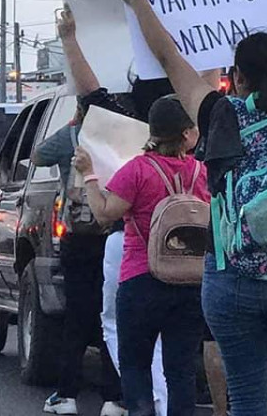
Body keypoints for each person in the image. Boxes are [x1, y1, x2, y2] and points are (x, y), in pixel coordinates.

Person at [117, 0, 267, 415]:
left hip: (231, 272)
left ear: (235, 77)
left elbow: (168, 55)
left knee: (248, 396)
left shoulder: (217, 114)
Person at [76, 96, 209, 416]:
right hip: (190, 282)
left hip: (141, 279)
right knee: (181, 373)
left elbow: (105, 214)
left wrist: (89, 175)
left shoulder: (137, 170)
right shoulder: (201, 173)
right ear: (186, 134)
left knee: (136, 365)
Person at [33, 104, 124, 416]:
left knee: (76, 318)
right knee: (111, 318)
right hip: (112, 236)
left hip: (76, 238)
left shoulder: (72, 135)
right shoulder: (122, 135)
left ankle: (66, 395)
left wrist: (73, 125)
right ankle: (114, 398)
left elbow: (38, 156)